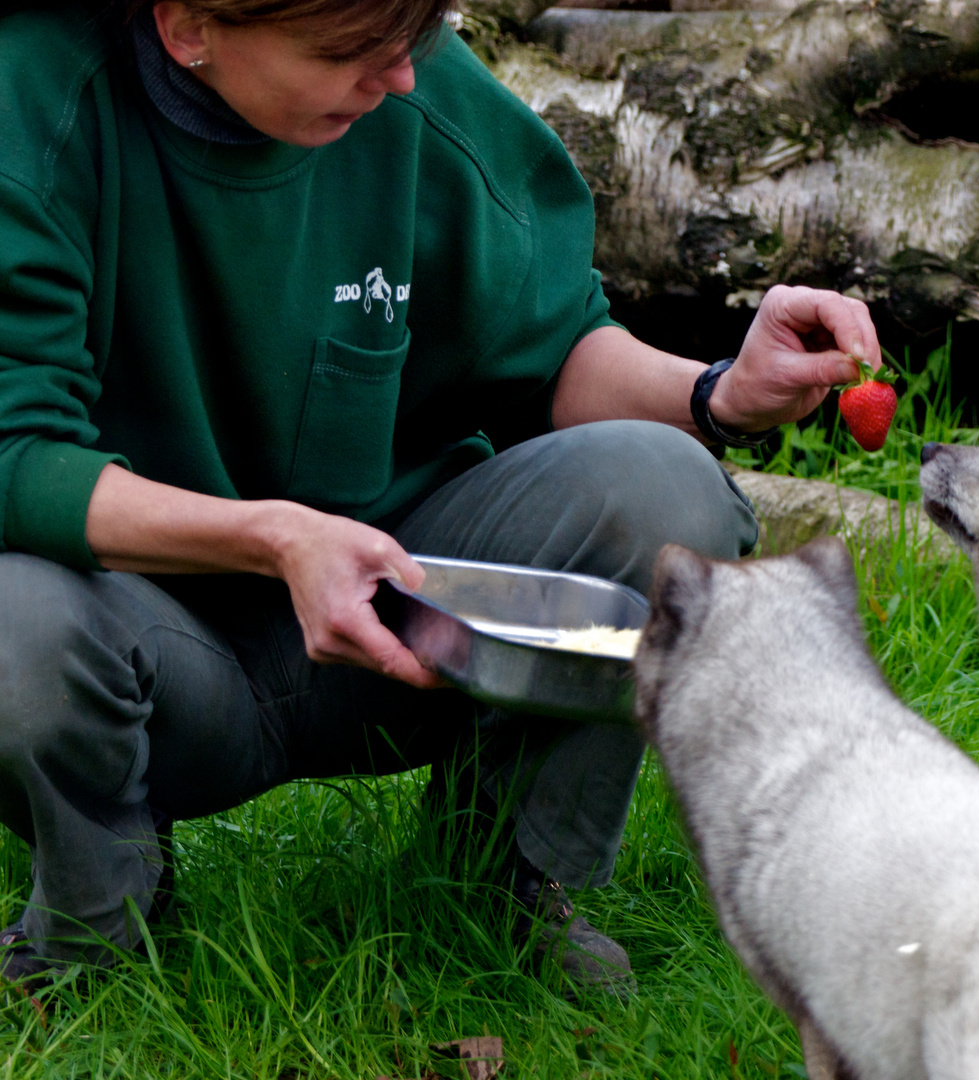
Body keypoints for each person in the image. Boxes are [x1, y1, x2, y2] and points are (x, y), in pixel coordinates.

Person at [0, 0, 881, 993]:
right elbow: (13, 455)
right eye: (351, 54)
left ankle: (499, 882)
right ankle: (99, 918)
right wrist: (275, 540)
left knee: (663, 487)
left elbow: (551, 349)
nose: (404, 78)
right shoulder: (31, 104)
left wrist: (718, 392)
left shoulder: (401, 76)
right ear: (186, 26)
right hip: (144, 647)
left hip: (403, 625)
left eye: (413, 41)